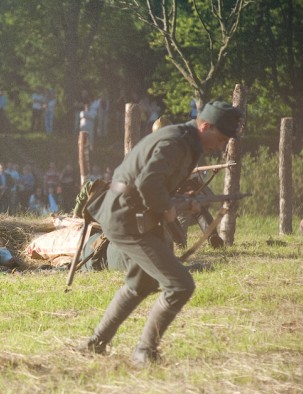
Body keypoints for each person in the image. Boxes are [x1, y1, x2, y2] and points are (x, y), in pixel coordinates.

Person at [77, 100, 242, 367]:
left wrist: (183, 199)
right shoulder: (176, 143)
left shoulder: (185, 141)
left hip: (132, 214)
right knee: (180, 285)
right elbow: (148, 183)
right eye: (220, 139)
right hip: (125, 217)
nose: (220, 146)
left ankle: (94, 344)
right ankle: (144, 351)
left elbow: (157, 183)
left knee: (140, 285)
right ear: (206, 126)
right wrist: (168, 209)